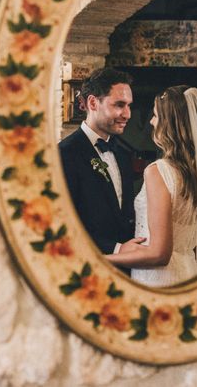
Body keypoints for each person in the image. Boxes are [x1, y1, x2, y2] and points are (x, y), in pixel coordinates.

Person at [105, 86, 197, 287]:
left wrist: (103, 260)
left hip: (159, 279)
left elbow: (159, 253)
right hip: (188, 270)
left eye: (156, 116)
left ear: (170, 124)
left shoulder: (158, 171)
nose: (151, 121)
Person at [59, 68, 138, 255]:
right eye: (119, 105)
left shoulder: (124, 153)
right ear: (93, 103)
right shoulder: (64, 154)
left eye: (129, 105)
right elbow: (63, 224)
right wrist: (117, 249)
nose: (127, 114)